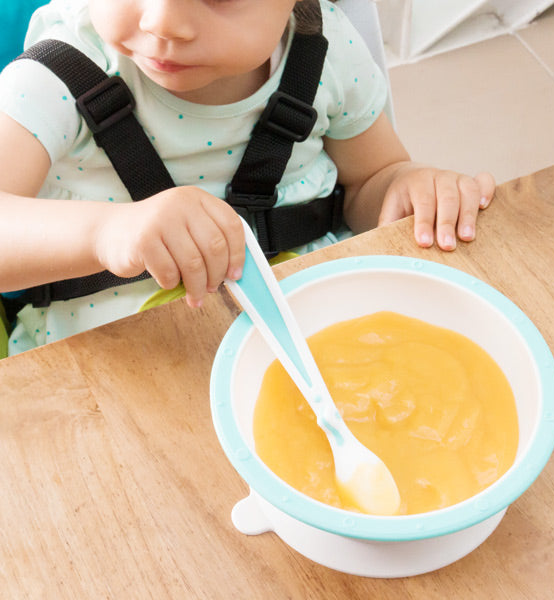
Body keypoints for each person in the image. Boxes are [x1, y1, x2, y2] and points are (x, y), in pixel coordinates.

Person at [0, 0, 495, 356]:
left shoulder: (326, 53)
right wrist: (105, 232)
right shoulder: (55, 76)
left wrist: (407, 188)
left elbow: (373, 181)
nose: (163, 21)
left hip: (320, 337)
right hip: (124, 363)